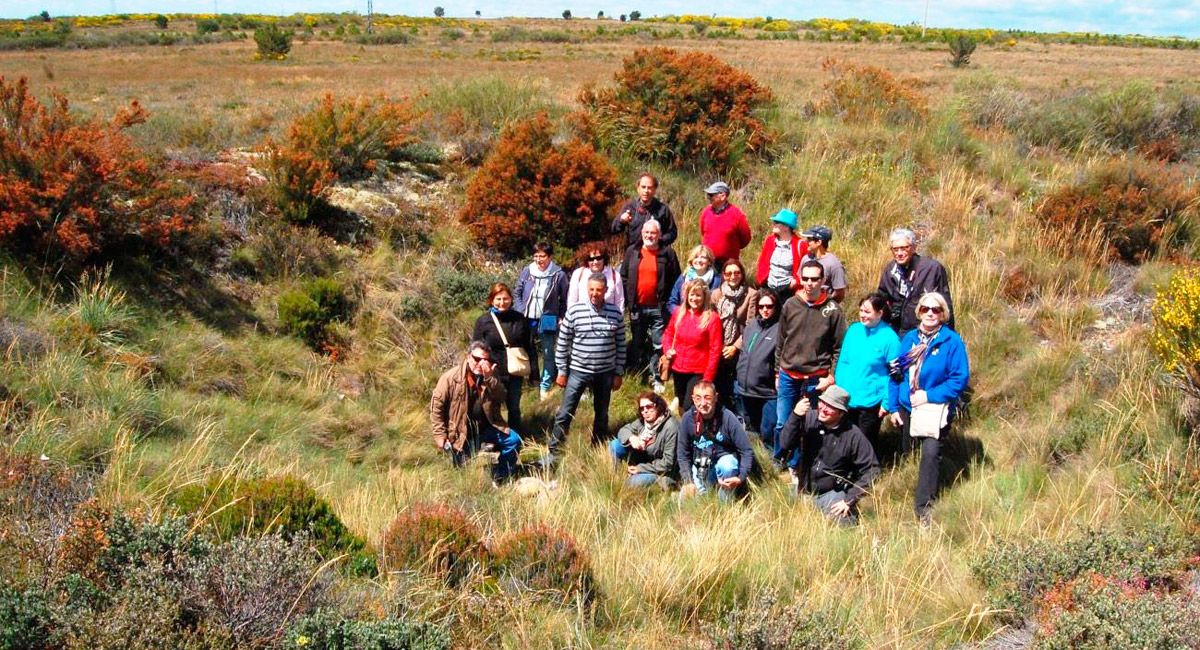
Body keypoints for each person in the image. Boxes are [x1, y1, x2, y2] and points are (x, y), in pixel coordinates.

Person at [886, 292, 969, 524]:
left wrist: (928, 395)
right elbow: (896, 374)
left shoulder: (951, 342)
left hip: (935, 409)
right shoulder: (910, 339)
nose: (930, 313)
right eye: (925, 309)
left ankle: (924, 508)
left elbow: (959, 379)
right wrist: (894, 407)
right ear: (919, 312)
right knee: (909, 453)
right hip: (907, 407)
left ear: (943, 314)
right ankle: (902, 491)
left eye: (936, 310)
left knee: (930, 454)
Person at [774, 260, 847, 470]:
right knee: (783, 420)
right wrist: (777, 371)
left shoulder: (833, 310)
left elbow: (839, 347)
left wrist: (831, 376)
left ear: (823, 281)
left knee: (810, 423)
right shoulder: (790, 304)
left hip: (817, 377)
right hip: (788, 374)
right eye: (805, 278)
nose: (809, 283)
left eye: (814, 279)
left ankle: (800, 462)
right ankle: (781, 457)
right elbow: (781, 340)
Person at [548, 273, 626, 464]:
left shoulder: (615, 313)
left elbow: (621, 344)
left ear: (606, 291)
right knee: (565, 412)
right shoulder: (575, 311)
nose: (594, 293)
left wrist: (618, 372)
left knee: (602, 414)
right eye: (591, 289)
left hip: (605, 372)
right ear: (587, 289)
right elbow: (563, 343)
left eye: (599, 290)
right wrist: (562, 370)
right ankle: (554, 450)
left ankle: (597, 448)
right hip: (578, 371)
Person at [777, 385, 880, 526]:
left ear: (841, 413)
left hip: (831, 493)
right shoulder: (809, 418)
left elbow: (872, 470)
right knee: (779, 514)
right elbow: (784, 444)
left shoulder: (853, 435)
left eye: (830, 406)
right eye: (822, 402)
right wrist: (795, 416)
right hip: (801, 489)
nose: (823, 409)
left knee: (844, 524)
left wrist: (850, 499)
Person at [430, 341, 523, 485]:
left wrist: (490, 379)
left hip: (487, 427)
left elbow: (502, 397)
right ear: (468, 357)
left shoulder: (491, 374)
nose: (480, 363)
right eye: (477, 359)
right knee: (461, 473)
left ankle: (500, 475)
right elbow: (437, 407)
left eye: (485, 360)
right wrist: (439, 434)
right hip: (462, 432)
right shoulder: (450, 378)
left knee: (513, 440)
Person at [833, 294, 900, 454]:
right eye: (861, 310)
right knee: (844, 439)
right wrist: (838, 389)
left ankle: (868, 474)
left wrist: (886, 403)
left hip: (871, 401)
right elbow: (843, 362)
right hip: (847, 398)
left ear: (880, 313)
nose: (863, 315)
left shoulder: (890, 339)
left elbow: (895, 375)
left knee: (864, 443)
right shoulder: (853, 330)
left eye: (868, 312)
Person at [620, 220, 681, 393]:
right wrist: (628, 300)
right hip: (637, 307)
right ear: (642, 233)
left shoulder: (667, 253)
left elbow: (676, 280)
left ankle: (657, 377)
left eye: (653, 233)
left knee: (658, 344)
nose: (649, 236)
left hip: (658, 308)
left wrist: (670, 304)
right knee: (637, 342)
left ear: (659, 235)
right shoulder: (632, 251)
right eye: (646, 232)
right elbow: (623, 276)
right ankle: (637, 374)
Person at [471, 283, 533, 433]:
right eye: (498, 299)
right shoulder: (483, 321)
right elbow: (476, 347)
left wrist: (534, 372)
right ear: (491, 300)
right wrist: (477, 369)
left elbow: (529, 346)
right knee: (490, 406)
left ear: (511, 299)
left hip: (514, 370)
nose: (502, 302)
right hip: (491, 371)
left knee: (513, 407)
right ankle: (493, 437)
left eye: (505, 299)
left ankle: (516, 437)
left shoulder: (519, 319)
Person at [677, 382, 754, 502]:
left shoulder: (728, 418)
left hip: (724, 463)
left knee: (727, 465)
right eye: (698, 398)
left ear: (716, 397)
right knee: (690, 499)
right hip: (702, 465)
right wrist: (688, 480)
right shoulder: (688, 419)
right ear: (693, 399)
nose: (703, 403)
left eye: (707, 398)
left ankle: (726, 500)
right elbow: (682, 453)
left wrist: (741, 477)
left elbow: (746, 450)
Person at [514, 242, 569, 401]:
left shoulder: (559, 274)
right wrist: (520, 309)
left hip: (548, 318)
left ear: (550, 257)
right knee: (528, 349)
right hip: (528, 317)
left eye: (542, 256)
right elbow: (517, 292)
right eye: (536, 256)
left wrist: (561, 316)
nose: (539, 259)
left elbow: (565, 299)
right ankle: (534, 380)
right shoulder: (527, 271)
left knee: (547, 352)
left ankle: (545, 385)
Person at [878, 228, 954, 335]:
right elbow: (880, 301)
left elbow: (945, 305)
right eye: (895, 249)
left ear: (914, 247)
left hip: (925, 332)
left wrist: (948, 336)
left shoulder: (932, 269)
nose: (899, 253)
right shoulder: (890, 270)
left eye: (904, 248)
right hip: (896, 333)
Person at [662, 279, 723, 414]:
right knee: (682, 402)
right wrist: (668, 350)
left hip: (698, 371)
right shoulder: (678, 313)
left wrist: (708, 378)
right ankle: (686, 429)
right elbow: (668, 334)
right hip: (678, 368)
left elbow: (715, 350)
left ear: (704, 296)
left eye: (698, 295)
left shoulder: (712, 318)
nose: (694, 298)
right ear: (686, 295)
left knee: (692, 406)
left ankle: (697, 431)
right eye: (691, 295)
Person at [710, 258, 758, 411]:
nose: (733, 276)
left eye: (736, 272)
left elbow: (751, 325)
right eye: (728, 273)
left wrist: (735, 347)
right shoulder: (716, 294)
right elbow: (711, 321)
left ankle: (742, 415)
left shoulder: (751, 294)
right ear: (723, 275)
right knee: (719, 382)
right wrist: (720, 345)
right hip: (719, 344)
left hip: (741, 343)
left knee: (738, 383)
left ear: (742, 274)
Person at [735, 291, 780, 444]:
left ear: (776, 307)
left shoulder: (780, 329)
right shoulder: (751, 325)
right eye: (761, 306)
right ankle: (756, 460)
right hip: (745, 390)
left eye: (769, 306)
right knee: (751, 428)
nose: (765, 310)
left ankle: (771, 462)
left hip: (767, 392)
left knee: (768, 427)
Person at [609, 391, 679, 488]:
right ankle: (616, 477)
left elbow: (668, 463)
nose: (645, 411)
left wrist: (640, 468)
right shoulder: (643, 422)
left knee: (630, 484)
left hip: (661, 472)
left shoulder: (671, 427)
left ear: (658, 406)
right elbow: (623, 430)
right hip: (642, 462)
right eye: (642, 408)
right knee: (615, 444)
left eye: (649, 406)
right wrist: (632, 438)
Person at [611, 173, 678, 249]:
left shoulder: (662, 209)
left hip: (656, 254)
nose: (646, 191)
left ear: (654, 190)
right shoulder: (630, 207)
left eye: (649, 188)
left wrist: (658, 242)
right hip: (634, 253)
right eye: (643, 187)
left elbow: (672, 233)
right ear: (638, 188)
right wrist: (621, 221)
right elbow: (614, 229)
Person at [755, 208, 808, 301]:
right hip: (768, 287)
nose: (773, 224)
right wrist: (761, 279)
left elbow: (805, 267)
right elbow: (762, 261)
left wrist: (795, 282)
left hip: (787, 291)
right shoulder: (770, 240)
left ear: (786, 227)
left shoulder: (800, 245)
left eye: (776, 222)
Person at [698, 181, 752, 268]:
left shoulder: (736, 214)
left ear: (723, 196)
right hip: (707, 261)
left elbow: (746, 237)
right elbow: (703, 232)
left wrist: (731, 248)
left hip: (728, 264)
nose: (709, 197)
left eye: (711, 195)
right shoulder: (706, 212)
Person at [568, 242, 624, 312]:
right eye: (591, 259)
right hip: (583, 319)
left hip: (608, 319)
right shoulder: (578, 274)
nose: (595, 262)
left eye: (598, 258)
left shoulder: (615, 276)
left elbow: (619, 302)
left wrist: (618, 320)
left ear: (604, 258)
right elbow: (572, 301)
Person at [667, 245, 721, 315]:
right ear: (691, 261)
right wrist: (682, 313)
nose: (699, 260)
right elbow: (672, 302)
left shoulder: (717, 280)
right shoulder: (683, 278)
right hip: (685, 318)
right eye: (696, 257)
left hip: (707, 319)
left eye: (703, 257)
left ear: (709, 262)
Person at [802, 225, 847, 303]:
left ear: (819, 242)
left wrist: (826, 304)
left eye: (809, 239)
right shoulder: (806, 258)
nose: (806, 241)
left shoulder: (834, 264)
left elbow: (840, 292)